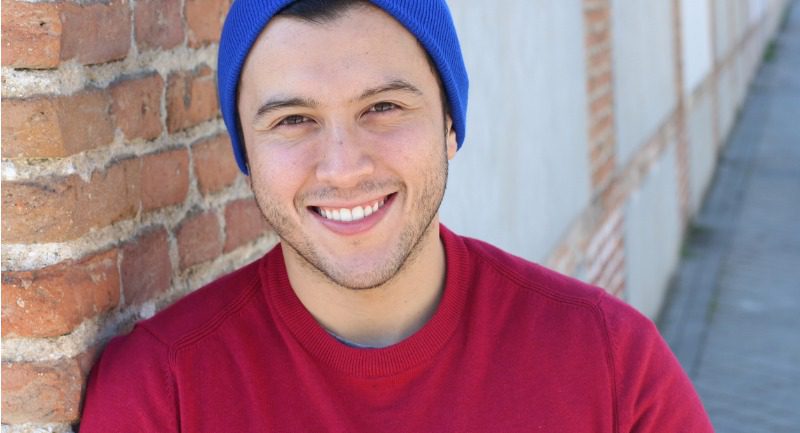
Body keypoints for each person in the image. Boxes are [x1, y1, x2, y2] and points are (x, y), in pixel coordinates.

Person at [80, 1, 714, 431]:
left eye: (383, 107)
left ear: (449, 125)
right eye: (293, 120)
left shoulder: (608, 363)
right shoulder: (163, 394)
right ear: (246, 152)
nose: (343, 166)